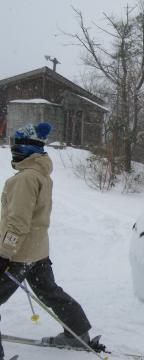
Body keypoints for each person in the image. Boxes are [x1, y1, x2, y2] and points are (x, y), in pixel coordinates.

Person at [0, 123, 91, 359]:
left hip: (18, 254)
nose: (12, 149)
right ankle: (78, 331)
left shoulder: (24, 179)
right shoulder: (41, 174)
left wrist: (3, 253)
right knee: (49, 291)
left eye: (16, 144)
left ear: (26, 147)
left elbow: (18, 223)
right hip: (37, 252)